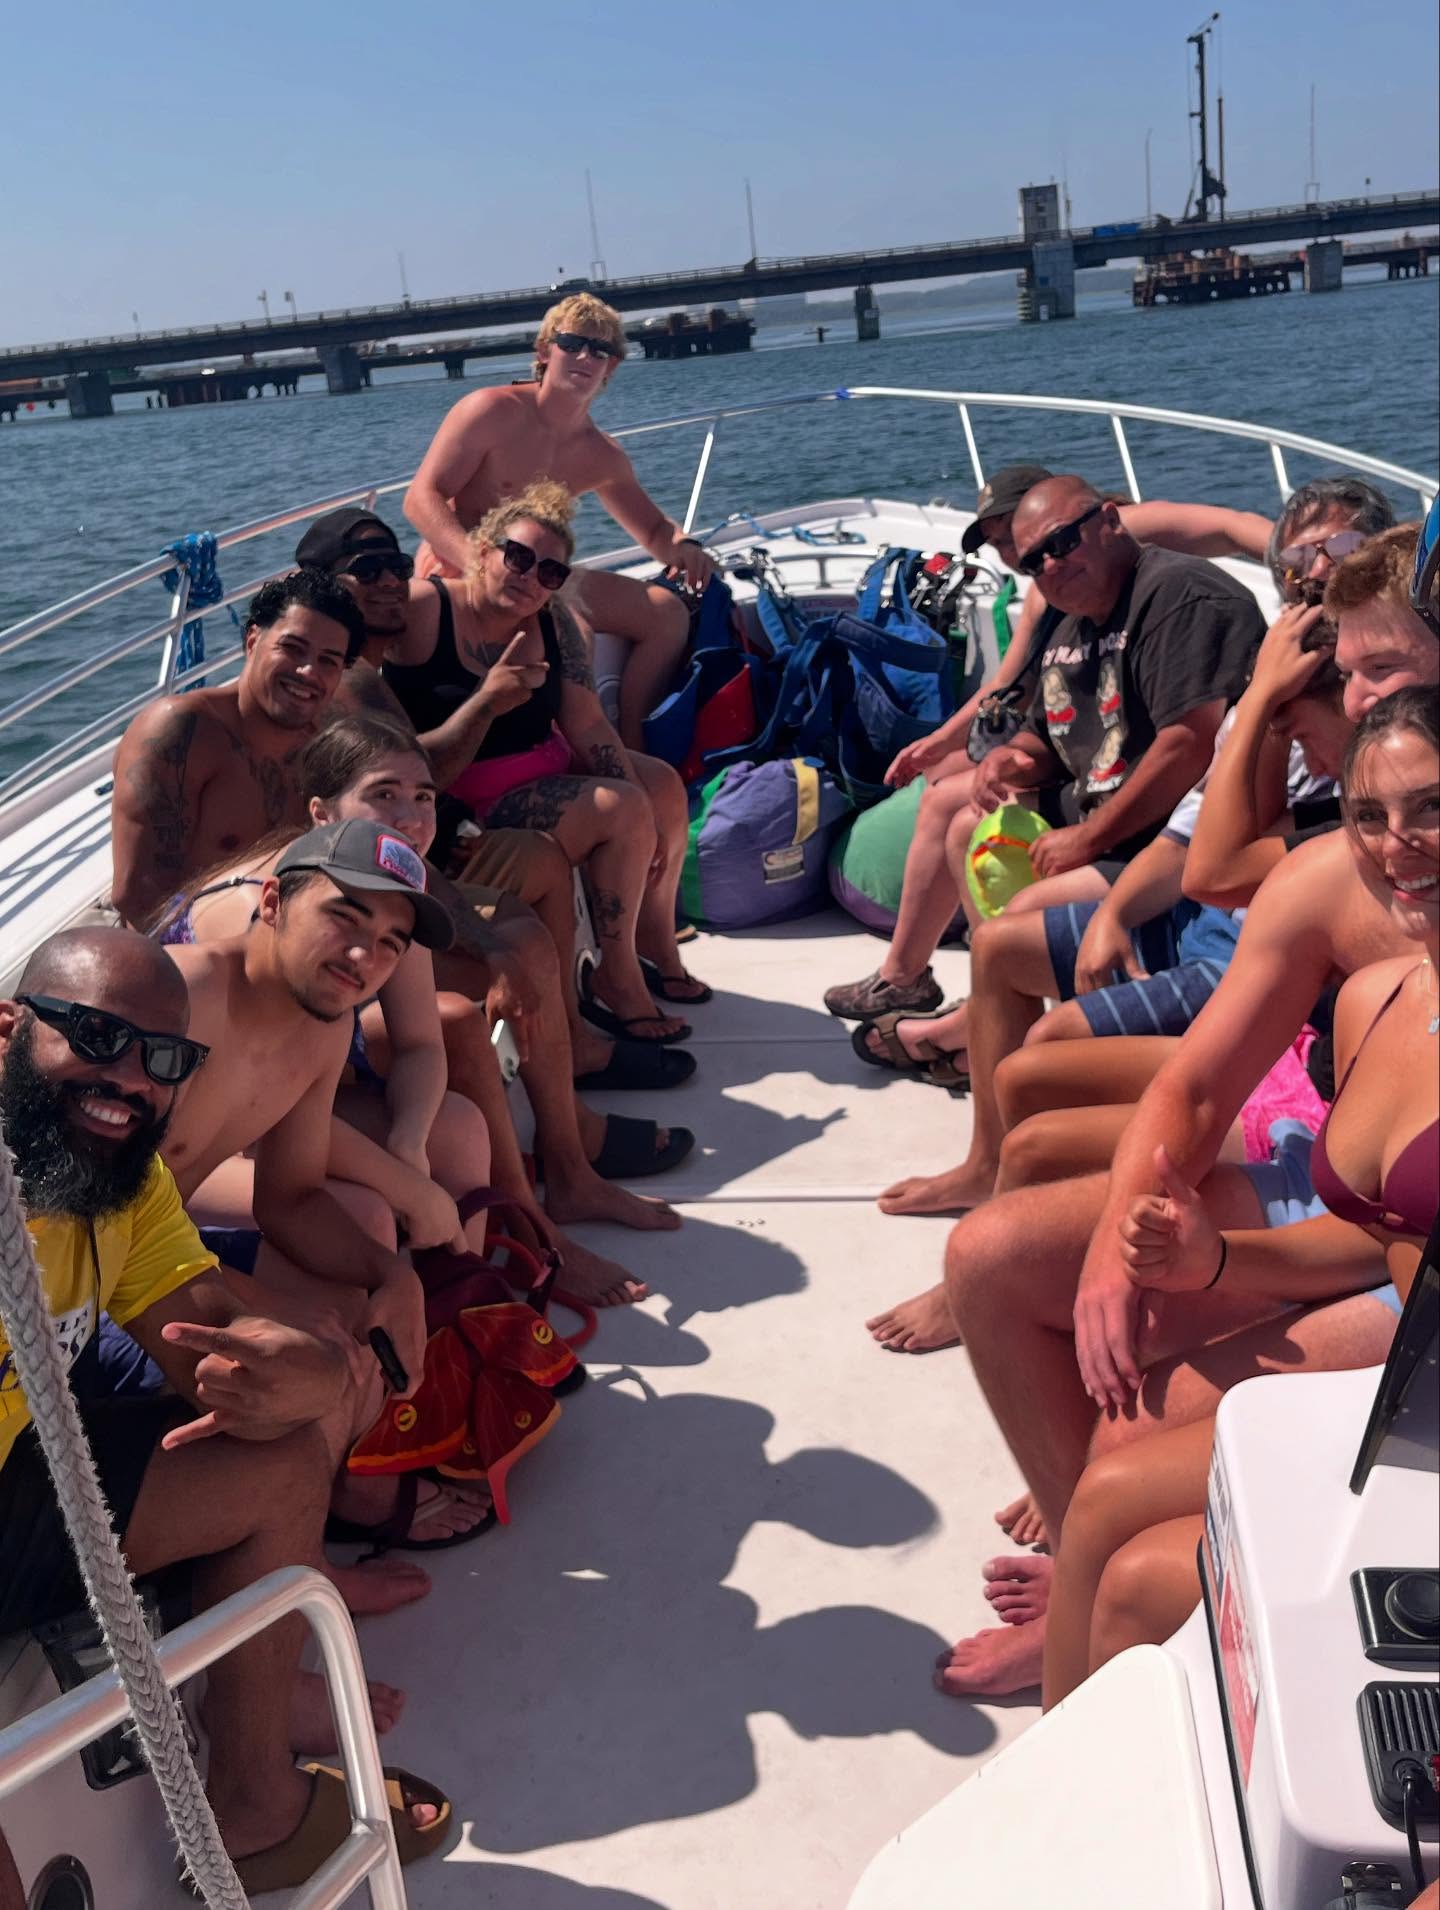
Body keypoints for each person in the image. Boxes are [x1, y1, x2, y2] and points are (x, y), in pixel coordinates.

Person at [933, 685, 1437, 1698]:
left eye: (1429, 807)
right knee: (1003, 1271)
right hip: (1358, 1226)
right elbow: (1205, 1090)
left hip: (1412, 1329)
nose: (1397, 842)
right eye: (1369, 813)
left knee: (1127, 1517)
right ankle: (1081, 1618)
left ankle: (1088, 1630)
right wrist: (1166, 1251)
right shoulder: (1383, 977)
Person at [0, 927, 449, 1889]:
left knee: (277, 1460)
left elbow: (205, 1332)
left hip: (20, 1484)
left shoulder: (122, 1180)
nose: (129, 1080)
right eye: (93, 1036)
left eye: (163, 1060)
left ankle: (256, 1805)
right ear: (9, 1030)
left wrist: (313, 1380)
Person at [171, 720, 681, 1306]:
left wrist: (410, 1145)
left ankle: (472, 1313)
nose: (411, 819)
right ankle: (457, 1300)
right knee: (365, 1211)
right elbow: (267, 1114)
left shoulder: (387, 900)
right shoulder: (279, 926)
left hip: (290, 1106)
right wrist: (412, 1190)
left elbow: (417, 1042)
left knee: (458, 1128)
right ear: (322, 814)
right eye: (384, 795)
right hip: (217, 1142)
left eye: (424, 798)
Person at [160, 819, 504, 1554]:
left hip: (138, 1254)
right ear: (275, 901)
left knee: (356, 1318)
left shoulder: (319, 1028)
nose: (362, 956)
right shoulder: (176, 1004)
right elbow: (91, 1229)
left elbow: (287, 1197)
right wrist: (281, 1316)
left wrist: (393, 1276)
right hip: (70, 1285)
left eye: (388, 943)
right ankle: (301, 1550)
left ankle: (313, 1525)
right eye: (344, 917)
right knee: (325, 1354)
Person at [824, 474, 1267, 1020]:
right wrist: (1014, 759)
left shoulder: (1175, 595)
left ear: (1107, 521)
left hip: (1164, 838)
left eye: (1057, 544)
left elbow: (1186, 745)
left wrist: (1087, 838)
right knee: (964, 824)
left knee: (1016, 919)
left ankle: (991, 1013)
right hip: (1100, 796)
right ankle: (993, 1006)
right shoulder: (1068, 618)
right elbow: (1040, 719)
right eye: (1029, 558)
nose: (1044, 564)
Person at [383, 479, 711, 1040]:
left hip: (544, 770)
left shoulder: (553, 623)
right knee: (621, 807)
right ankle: (618, 975)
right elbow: (350, 638)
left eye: (550, 573)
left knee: (658, 788)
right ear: (482, 551)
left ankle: (655, 940)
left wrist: (647, 814)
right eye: (518, 557)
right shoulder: (423, 611)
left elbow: (586, 722)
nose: (531, 577)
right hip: (473, 797)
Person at [403, 292, 712, 746]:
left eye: (601, 350)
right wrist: (474, 560)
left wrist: (686, 547)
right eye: (573, 343)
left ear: (612, 368)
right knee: (573, 635)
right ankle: (561, 757)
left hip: (540, 579)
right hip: (461, 566)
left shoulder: (601, 454)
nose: (586, 355)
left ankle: (631, 744)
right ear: (545, 352)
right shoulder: (490, 411)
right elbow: (420, 498)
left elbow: (652, 530)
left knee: (667, 615)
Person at [110, 570, 366, 929]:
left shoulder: (327, 738)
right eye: (292, 649)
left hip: (296, 930)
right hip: (193, 951)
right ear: (252, 641)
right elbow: (140, 898)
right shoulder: (181, 732)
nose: (309, 671)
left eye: (328, 661)